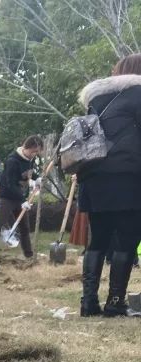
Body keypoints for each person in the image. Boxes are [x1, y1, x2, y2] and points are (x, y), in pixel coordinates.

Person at [76, 53, 141, 317]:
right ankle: (115, 301)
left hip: (93, 176)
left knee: (98, 239)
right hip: (128, 175)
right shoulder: (138, 94)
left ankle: (88, 302)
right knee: (126, 239)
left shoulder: (97, 97)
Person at [0, 135, 44, 259]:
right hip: (6, 197)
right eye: (33, 151)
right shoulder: (12, 161)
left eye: (36, 152)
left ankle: (29, 256)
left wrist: (37, 178)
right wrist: (23, 200)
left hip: (20, 198)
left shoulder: (29, 160)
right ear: (27, 147)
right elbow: (9, 184)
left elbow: (29, 172)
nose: (34, 154)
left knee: (25, 228)